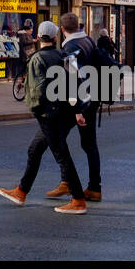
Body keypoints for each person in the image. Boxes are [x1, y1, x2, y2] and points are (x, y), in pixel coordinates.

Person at [0, 20, 88, 214]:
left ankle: (78, 199)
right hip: (65, 113)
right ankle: (21, 191)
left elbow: (38, 92)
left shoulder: (37, 59)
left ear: (38, 37)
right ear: (56, 38)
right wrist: (77, 111)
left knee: (61, 155)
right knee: (35, 149)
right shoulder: (66, 56)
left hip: (49, 115)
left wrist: (38, 111)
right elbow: (77, 84)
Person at [51, 12, 102, 202]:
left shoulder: (70, 47)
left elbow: (74, 78)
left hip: (78, 105)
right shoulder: (88, 41)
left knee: (57, 139)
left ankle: (67, 182)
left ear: (62, 29)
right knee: (89, 146)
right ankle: (94, 188)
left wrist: (78, 110)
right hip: (92, 98)